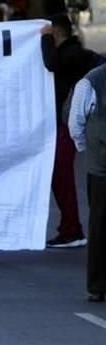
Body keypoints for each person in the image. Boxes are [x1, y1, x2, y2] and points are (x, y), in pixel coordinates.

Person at [43, 15, 100, 248]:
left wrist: (44, 39)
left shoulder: (71, 54)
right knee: (60, 175)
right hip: (64, 124)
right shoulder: (75, 53)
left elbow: (51, 63)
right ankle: (70, 229)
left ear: (56, 33)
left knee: (62, 175)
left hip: (68, 126)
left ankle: (71, 230)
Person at [67, 56, 106, 303]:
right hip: (102, 168)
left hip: (100, 165)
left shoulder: (91, 81)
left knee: (101, 225)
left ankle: (98, 285)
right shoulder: (91, 82)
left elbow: (76, 126)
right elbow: (76, 124)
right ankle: (98, 284)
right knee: (100, 226)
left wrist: (88, 150)